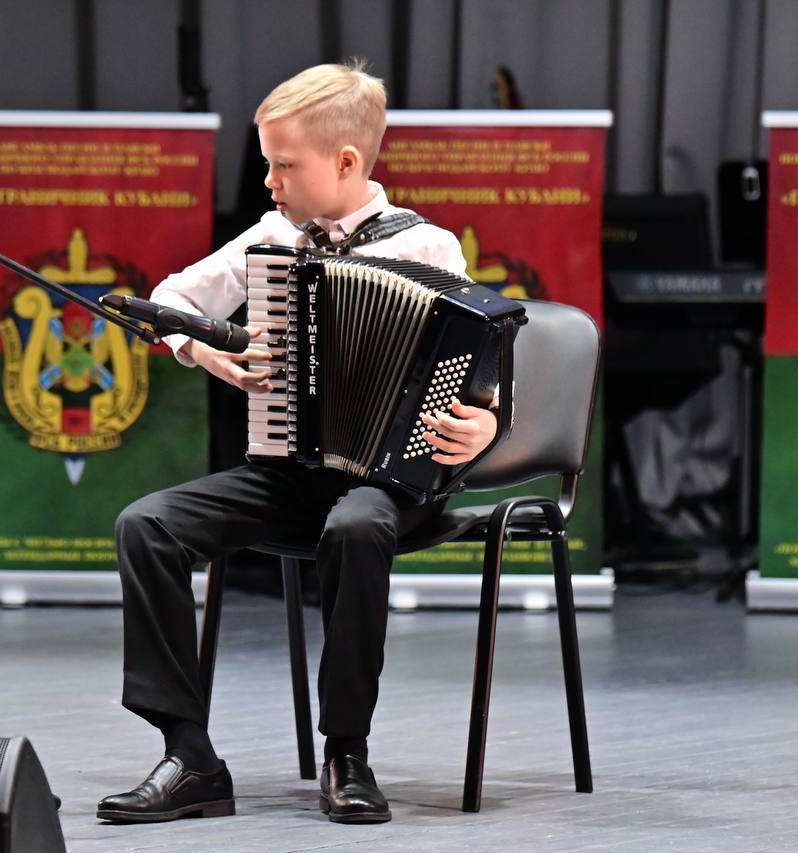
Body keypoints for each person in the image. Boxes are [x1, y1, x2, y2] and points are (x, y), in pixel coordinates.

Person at [97, 60, 498, 825]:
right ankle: (190, 755)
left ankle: (347, 749)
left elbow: (484, 374)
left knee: (354, 523)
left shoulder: (429, 249)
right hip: (291, 471)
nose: (271, 182)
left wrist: (484, 421)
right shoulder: (277, 236)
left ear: (346, 162)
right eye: (268, 163)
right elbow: (171, 301)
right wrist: (207, 352)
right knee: (147, 524)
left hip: (393, 487)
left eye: (285, 165)